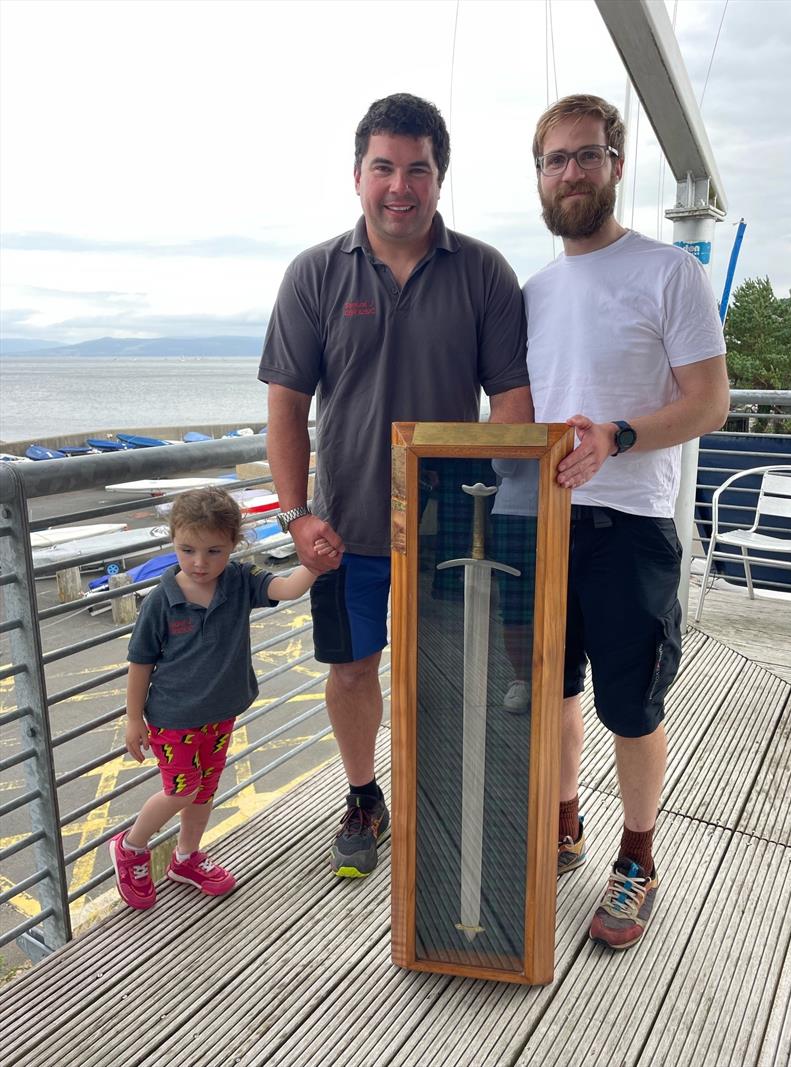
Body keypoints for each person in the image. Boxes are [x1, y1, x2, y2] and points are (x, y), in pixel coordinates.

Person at [259, 92, 533, 879]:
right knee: (352, 670)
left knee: (449, 672)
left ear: (440, 178)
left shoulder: (484, 272)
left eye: (418, 169)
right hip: (343, 531)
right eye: (384, 168)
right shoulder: (313, 273)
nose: (400, 186)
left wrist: (514, 505)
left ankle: (445, 794)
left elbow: (512, 407)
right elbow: (285, 409)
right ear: (358, 176)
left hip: (455, 532)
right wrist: (295, 513)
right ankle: (363, 796)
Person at [525, 94, 729, 949]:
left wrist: (620, 434)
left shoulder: (667, 273)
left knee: (633, 707)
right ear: (539, 177)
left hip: (632, 527)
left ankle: (638, 858)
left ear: (615, 163)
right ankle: (565, 825)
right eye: (554, 159)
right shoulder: (532, 290)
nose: (571, 172)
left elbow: (710, 402)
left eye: (586, 155)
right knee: (555, 691)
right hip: (542, 522)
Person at [110, 486, 331, 910]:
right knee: (180, 789)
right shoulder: (161, 600)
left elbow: (286, 588)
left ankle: (186, 858)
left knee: (205, 790)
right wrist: (133, 718)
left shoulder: (239, 581)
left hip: (219, 714)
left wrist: (315, 565)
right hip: (173, 717)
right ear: (172, 540)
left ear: (235, 544)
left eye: (213, 551)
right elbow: (140, 662)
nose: (199, 562)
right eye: (187, 549)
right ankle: (132, 847)